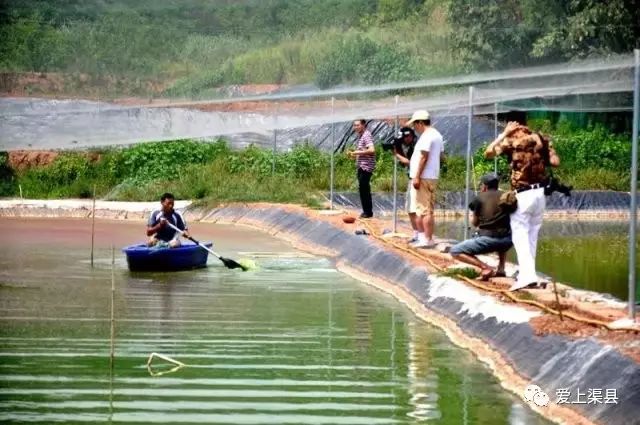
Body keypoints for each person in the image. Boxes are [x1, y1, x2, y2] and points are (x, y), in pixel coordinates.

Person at [485, 121, 560, 291]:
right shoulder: (540, 141)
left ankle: (527, 277)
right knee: (532, 236)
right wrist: (544, 152)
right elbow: (555, 162)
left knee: (520, 236)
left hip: (524, 194)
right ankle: (529, 274)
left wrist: (503, 135)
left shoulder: (513, 144)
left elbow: (488, 153)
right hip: (540, 194)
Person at [450, 173, 512, 280]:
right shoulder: (506, 196)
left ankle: (485, 268)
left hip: (488, 240)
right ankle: (501, 268)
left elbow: (475, 223)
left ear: (485, 186)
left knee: (455, 251)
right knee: (503, 231)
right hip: (508, 241)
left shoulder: (479, 198)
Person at [406, 110, 444, 248]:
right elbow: (441, 156)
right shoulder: (437, 135)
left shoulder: (427, 136)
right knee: (428, 208)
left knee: (423, 209)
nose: (415, 128)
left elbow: (424, 157)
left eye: (415, 124)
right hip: (432, 176)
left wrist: (417, 176)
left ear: (420, 122)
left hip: (423, 177)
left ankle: (425, 239)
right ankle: (427, 238)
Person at [392, 126, 420, 242]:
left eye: (404, 138)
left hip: (416, 179)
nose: (403, 141)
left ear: (410, 136)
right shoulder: (411, 147)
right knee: (410, 208)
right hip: (412, 178)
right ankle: (417, 233)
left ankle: (419, 234)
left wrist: (396, 154)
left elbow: (410, 163)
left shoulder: (416, 147)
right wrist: (398, 149)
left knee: (414, 208)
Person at [348, 119, 376, 218]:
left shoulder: (366, 135)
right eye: (354, 125)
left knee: (364, 189)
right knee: (363, 189)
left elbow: (372, 150)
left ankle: (368, 212)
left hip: (366, 167)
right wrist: (355, 155)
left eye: (357, 125)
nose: (355, 127)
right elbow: (364, 151)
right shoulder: (361, 136)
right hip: (362, 166)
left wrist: (357, 153)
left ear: (363, 125)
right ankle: (366, 211)